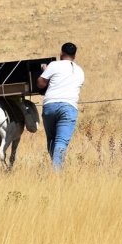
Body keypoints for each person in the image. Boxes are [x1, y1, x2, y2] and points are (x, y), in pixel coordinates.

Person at [36, 42, 85, 171]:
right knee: (61, 141)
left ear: (61, 53)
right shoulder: (80, 71)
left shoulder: (54, 65)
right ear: (74, 56)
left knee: (51, 140)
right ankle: (57, 173)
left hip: (50, 105)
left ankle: (56, 168)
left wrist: (44, 71)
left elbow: (40, 84)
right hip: (69, 107)